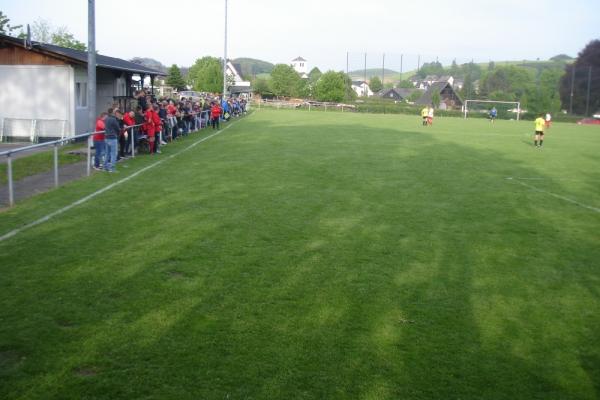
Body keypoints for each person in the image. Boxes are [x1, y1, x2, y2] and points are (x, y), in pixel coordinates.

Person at [104, 108, 121, 172]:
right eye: (114, 112)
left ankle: (105, 167)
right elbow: (117, 128)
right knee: (114, 154)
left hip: (106, 137)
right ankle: (112, 168)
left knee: (107, 153)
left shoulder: (106, 119)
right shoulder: (113, 119)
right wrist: (118, 133)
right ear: (112, 112)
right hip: (112, 138)